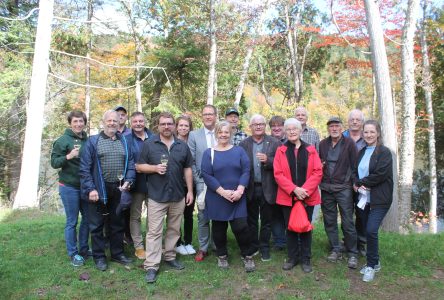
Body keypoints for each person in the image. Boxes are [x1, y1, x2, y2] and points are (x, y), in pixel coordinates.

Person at [137, 112, 194, 284]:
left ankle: (169, 256)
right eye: (163, 124)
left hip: (177, 195)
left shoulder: (182, 146)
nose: (167, 127)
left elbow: (188, 169)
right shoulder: (149, 144)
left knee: (174, 229)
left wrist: (190, 191)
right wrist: (154, 168)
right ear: (158, 126)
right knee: (154, 232)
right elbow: (139, 166)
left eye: (170, 124)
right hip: (156, 195)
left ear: (174, 126)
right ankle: (152, 265)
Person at [79, 110, 135, 271]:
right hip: (98, 189)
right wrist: (90, 189)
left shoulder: (124, 141)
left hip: (119, 188)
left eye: (115, 121)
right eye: (109, 120)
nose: (112, 123)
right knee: (96, 225)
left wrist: (129, 181)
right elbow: (84, 169)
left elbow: (131, 164)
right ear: (103, 122)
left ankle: (117, 254)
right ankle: (99, 257)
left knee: (117, 223)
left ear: (120, 123)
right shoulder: (92, 142)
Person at [201, 121, 256, 272]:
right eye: (220, 132)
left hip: (238, 196)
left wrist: (239, 190)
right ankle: (222, 256)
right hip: (217, 196)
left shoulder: (239, 151)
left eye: (226, 132)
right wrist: (222, 191)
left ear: (230, 133)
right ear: (216, 134)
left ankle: (247, 256)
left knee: (242, 227)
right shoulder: (209, 153)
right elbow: (206, 174)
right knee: (219, 229)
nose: (223, 135)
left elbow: (246, 170)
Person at [273, 118, 322, 273]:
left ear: (301, 131)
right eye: (289, 129)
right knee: (291, 228)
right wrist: (294, 189)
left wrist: (304, 190)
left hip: (308, 196)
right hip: (288, 196)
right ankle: (293, 258)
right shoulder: (280, 150)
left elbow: (317, 171)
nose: (292, 132)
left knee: (306, 227)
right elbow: (278, 174)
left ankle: (306, 259)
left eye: (295, 129)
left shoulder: (311, 150)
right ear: (285, 132)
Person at [353, 120, 393, 282]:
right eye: (366, 132)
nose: (369, 135)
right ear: (362, 134)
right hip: (363, 199)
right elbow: (355, 171)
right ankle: (375, 263)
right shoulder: (362, 151)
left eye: (372, 132)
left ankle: (370, 265)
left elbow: (380, 174)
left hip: (379, 199)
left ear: (378, 133)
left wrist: (361, 183)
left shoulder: (384, 152)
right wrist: (355, 183)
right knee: (365, 230)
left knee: (371, 230)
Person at [51, 110, 90, 267]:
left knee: (87, 220)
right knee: (72, 221)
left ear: (84, 123)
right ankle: (73, 253)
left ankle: (84, 250)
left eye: (81, 121)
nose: (78, 124)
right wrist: (68, 156)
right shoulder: (62, 141)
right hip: (69, 187)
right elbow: (54, 163)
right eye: (75, 121)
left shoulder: (88, 140)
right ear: (70, 123)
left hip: (86, 187)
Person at [319, 117, 358, 269]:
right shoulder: (323, 144)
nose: (334, 129)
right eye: (331, 127)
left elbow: (355, 165)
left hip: (344, 188)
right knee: (329, 220)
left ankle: (352, 252)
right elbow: (318, 163)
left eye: (337, 126)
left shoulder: (350, 144)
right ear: (328, 129)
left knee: (348, 221)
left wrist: (354, 183)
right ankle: (335, 248)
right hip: (327, 188)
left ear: (342, 128)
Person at [239, 114, 280, 261]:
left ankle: (264, 247)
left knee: (267, 221)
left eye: (261, 124)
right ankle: (254, 245)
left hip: (268, 187)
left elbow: (282, 164)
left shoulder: (275, 143)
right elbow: (239, 165)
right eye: (255, 124)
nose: (258, 126)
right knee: (251, 220)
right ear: (250, 127)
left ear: (265, 126)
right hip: (250, 187)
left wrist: (268, 160)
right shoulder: (243, 144)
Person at [188, 105, 218, 262]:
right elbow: (191, 160)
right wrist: (197, 177)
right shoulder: (194, 135)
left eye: (211, 114)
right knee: (203, 215)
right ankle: (203, 247)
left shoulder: (222, 132)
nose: (208, 117)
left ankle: (217, 244)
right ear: (202, 116)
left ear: (215, 116)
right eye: (205, 114)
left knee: (219, 214)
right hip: (202, 182)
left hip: (220, 181)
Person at [128, 112, 153, 259]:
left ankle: (152, 244)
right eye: (135, 121)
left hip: (153, 183)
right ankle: (138, 247)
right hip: (136, 183)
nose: (138, 123)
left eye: (141, 121)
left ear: (145, 122)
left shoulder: (154, 138)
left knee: (153, 216)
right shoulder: (127, 139)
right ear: (131, 123)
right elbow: (128, 161)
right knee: (135, 216)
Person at [343, 109, 366, 256]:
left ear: (362, 122)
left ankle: (361, 243)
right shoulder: (341, 136)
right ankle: (348, 241)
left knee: (362, 213)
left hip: (363, 183)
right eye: (352, 119)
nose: (355, 122)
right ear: (348, 121)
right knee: (346, 214)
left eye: (358, 119)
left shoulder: (368, 136)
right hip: (344, 183)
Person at [175, 115, 197, 256]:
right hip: (175, 184)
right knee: (176, 215)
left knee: (188, 214)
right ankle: (177, 243)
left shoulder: (192, 141)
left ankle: (188, 242)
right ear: (176, 127)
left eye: (186, 126)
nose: (183, 128)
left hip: (190, 183)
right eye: (181, 125)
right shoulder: (172, 141)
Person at [114, 105, 132, 246]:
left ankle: (128, 235)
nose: (121, 116)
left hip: (128, 176)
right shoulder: (108, 132)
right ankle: (113, 237)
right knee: (114, 209)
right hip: (112, 177)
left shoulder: (130, 133)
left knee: (127, 208)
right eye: (118, 114)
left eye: (123, 114)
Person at [268, 115, 287, 251]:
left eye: (279, 125)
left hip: (288, 183)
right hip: (271, 182)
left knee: (287, 212)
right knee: (274, 213)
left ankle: (291, 238)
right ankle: (279, 240)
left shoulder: (291, 140)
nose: (276, 128)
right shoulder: (267, 141)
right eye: (273, 126)